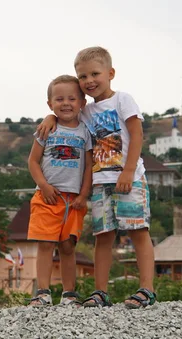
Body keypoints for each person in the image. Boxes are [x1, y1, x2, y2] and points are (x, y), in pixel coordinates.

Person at [36, 47, 156, 309]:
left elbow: (137, 135)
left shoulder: (123, 100)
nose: (89, 80)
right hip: (101, 183)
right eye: (83, 76)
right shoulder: (86, 111)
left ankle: (146, 288)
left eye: (95, 74)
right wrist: (48, 116)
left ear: (110, 73)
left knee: (137, 231)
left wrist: (127, 170)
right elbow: (63, 115)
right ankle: (100, 291)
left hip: (129, 179)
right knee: (103, 236)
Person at [27, 75, 93, 306]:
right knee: (45, 244)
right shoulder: (46, 130)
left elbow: (88, 167)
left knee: (68, 246)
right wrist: (44, 185)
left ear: (82, 102)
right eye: (59, 99)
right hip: (47, 196)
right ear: (50, 104)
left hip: (73, 199)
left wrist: (84, 195)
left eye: (72, 98)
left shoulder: (86, 132)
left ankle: (69, 294)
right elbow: (33, 161)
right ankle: (42, 292)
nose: (66, 103)